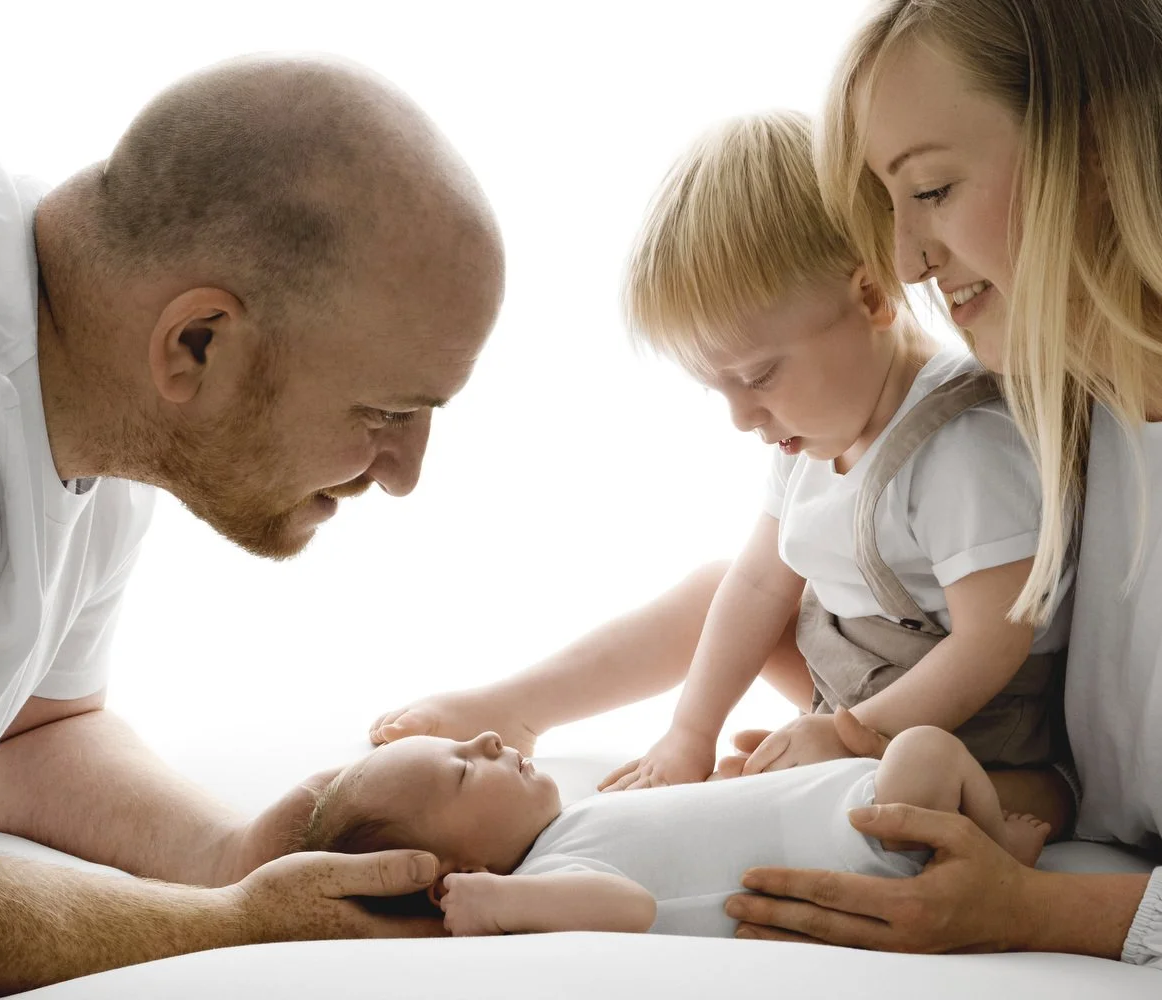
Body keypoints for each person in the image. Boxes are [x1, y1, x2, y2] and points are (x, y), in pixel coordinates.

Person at [717, 3, 1162, 999]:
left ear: (1095, 144)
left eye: (934, 189)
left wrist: (1031, 910)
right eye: (892, 205)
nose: (907, 259)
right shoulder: (1080, 391)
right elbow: (773, 561)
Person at [0, 54, 504, 996]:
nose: (403, 475)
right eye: (386, 413)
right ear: (198, 341)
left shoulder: (83, 345)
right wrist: (234, 925)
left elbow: (26, 735)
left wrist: (234, 854)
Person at [370, 110, 1075, 831]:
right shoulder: (814, 430)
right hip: (856, 690)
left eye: (760, 375)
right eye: (721, 390)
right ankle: (521, 707)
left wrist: (846, 736)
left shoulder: (962, 446)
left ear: (870, 298)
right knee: (721, 588)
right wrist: (690, 732)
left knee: (911, 782)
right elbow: (762, 582)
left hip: (978, 741)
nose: (743, 417)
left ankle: (982, 810)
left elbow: (992, 643)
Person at [302, 720, 1053, 938]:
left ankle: (988, 840)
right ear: (451, 872)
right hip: (867, 849)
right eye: (464, 771)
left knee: (938, 753)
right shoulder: (544, 881)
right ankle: (994, 856)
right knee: (927, 750)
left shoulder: (578, 816)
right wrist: (500, 904)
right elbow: (633, 909)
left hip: (851, 794)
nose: (491, 741)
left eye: (466, 739)